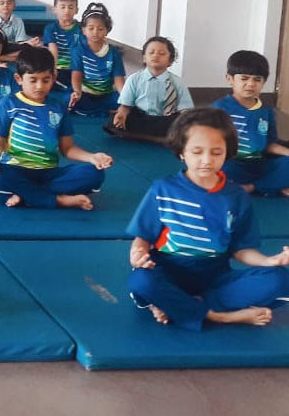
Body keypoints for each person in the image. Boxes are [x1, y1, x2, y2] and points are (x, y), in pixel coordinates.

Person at [127, 107, 289, 330]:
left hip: (214, 277)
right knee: (141, 281)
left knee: (279, 279)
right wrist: (138, 255)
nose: (206, 160)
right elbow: (143, 238)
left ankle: (179, 306)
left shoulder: (236, 196)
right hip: (169, 270)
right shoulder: (162, 189)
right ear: (181, 152)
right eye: (197, 152)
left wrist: (270, 261)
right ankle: (219, 316)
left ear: (227, 153)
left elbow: (241, 250)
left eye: (216, 152)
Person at [0, 46, 113, 210]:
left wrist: (92, 157)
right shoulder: (8, 104)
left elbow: (67, 149)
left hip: (49, 173)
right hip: (15, 169)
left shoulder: (58, 108)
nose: (39, 86)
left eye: (45, 80)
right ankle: (59, 200)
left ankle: (26, 195)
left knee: (94, 173)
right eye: (33, 80)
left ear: (54, 77)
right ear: (19, 78)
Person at [211, 50, 289, 195]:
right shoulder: (219, 108)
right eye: (244, 78)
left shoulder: (266, 111)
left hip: (259, 163)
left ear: (264, 82)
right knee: (221, 171)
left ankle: (252, 187)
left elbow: (269, 144)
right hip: (231, 163)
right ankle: (271, 187)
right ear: (230, 79)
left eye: (257, 80)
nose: (251, 84)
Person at [107, 36, 193, 143]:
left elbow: (185, 110)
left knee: (183, 124)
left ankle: (140, 136)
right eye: (151, 52)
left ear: (170, 61)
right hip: (142, 117)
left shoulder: (177, 82)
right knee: (113, 120)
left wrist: (185, 123)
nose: (155, 55)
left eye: (162, 53)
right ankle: (162, 138)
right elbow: (125, 105)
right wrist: (122, 115)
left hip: (165, 119)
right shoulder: (134, 79)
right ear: (144, 58)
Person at [68, 2, 125, 116]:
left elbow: (118, 78)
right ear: (84, 30)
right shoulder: (78, 50)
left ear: (107, 30)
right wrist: (77, 92)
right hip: (86, 93)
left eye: (100, 29)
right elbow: (76, 74)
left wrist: (124, 98)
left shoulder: (113, 52)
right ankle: (103, 112)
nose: (95, 32)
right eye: (91, 28)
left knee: (127, 103)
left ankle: (99, 111)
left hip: (107, 94)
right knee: (69, 101)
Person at [42, 0, 81, 92]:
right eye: (62, 7)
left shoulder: (81, 28)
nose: (67, 11)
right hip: (58, 68)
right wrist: (53, 69)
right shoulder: (50, 29)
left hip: (77, 69)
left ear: (76, 10)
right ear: (54, 9)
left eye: (71, 7)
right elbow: (53, 50)